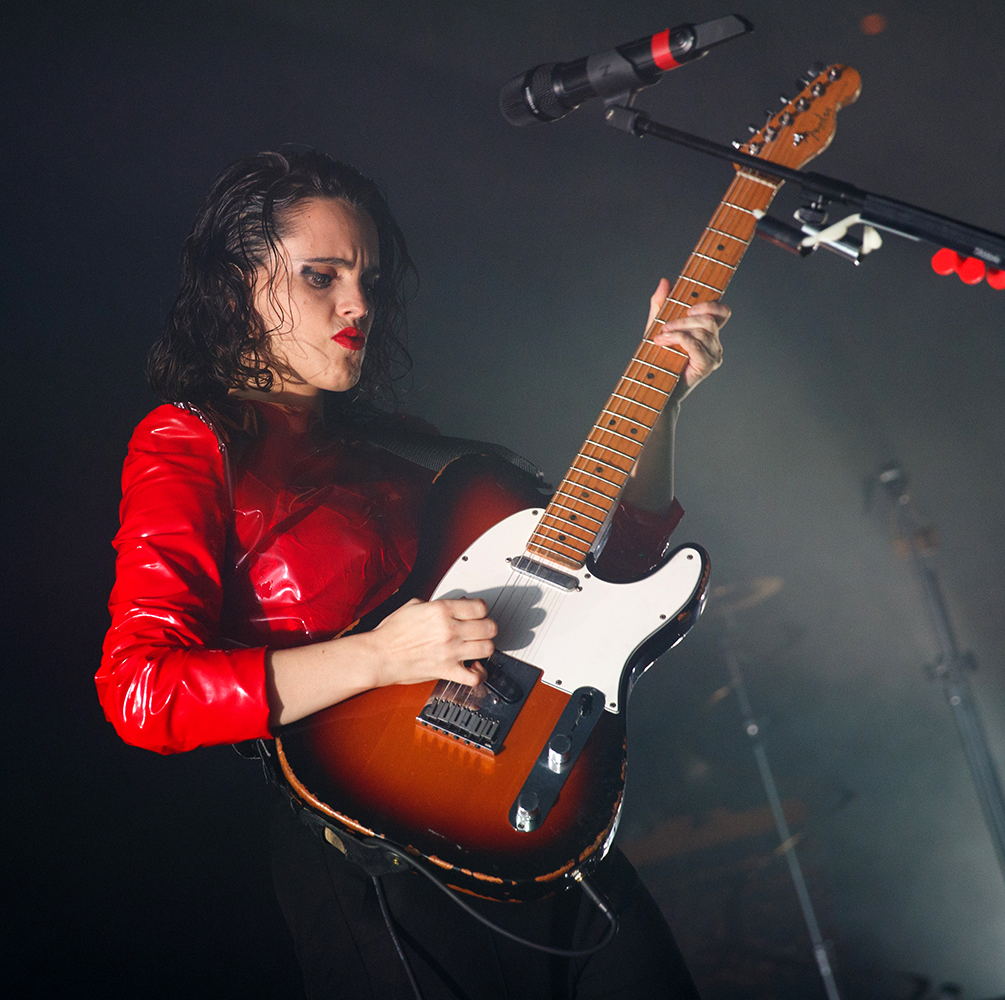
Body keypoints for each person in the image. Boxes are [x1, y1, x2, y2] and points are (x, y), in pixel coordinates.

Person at [96, 148, 730, 998]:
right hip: (375, 856)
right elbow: (143, 692)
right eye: (321, 276)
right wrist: (379, 659)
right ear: (238, 285)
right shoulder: (189, 440)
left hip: (543, 823)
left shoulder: (406, 449)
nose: (357, 304)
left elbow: (612, 580)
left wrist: (666, 405)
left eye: (368, 279)